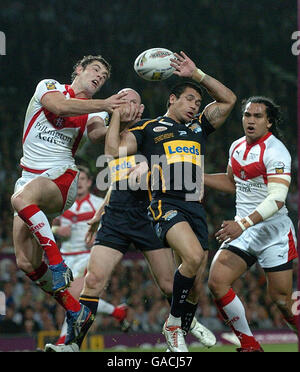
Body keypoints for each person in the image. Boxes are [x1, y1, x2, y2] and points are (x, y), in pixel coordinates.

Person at [44, 88, 217, 352]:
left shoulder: (151, 131)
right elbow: (114, 175)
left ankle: (187, 322)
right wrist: (99, 212)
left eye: (132, 102)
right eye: (121, 101)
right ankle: (71, 345)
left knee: (171, 284)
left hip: (148, 213)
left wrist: (154, 168)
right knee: (92, 281)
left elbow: (170, 163)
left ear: (141, 109)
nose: (126, 105)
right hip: (116, 215)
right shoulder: (115, 134)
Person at [103, 51, 236, 352]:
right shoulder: (149, 128)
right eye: (190, 99)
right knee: (192, 258)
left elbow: (228, 100)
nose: (195, 106)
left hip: (195, 205)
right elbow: (112, 153)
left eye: (198, 103)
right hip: (165, 203)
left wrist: (196, 74)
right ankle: (173, 324)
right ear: (172, 100)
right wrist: (114, 114)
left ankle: (181, 323)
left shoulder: (199, 127)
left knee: (195, 280)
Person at [10, 55, 128, 333]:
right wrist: (107, 102)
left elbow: (98, 134)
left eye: (104, 76)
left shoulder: (94, 111)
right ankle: (76, 310)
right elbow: (59, 107)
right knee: (25, 261)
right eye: (95, 70)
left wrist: (121, 118)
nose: (100, 77)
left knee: (20, 200)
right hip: (29, 177)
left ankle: (58, 263)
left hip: (62, 178)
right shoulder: (50, 86)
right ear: (79, 69)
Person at [205, 96, 298, 352]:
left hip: (273, 232)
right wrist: (198, 176)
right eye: (247, 115)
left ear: (269, 122)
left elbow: (277, 199)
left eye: (258, 116)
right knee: (216, 281)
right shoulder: (236, 146)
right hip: (244, 230)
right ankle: (249, 344)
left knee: (281, 301)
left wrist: (243, 223)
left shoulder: (276, 151)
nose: (251, 120)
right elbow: (231, 183)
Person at [52, 165, 130, 345]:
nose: (79, 183)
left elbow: (111, 227)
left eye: (83, 179)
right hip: (66, 257)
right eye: (76, 179)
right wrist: (57, 230)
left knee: (74, 297)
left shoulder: (97, 203)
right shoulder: (61, 203)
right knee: (69, 300)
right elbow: (48, 225)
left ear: (89, 183)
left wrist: (97, 235)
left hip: (89, 255)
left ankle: (63, 343)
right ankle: (117, 312)